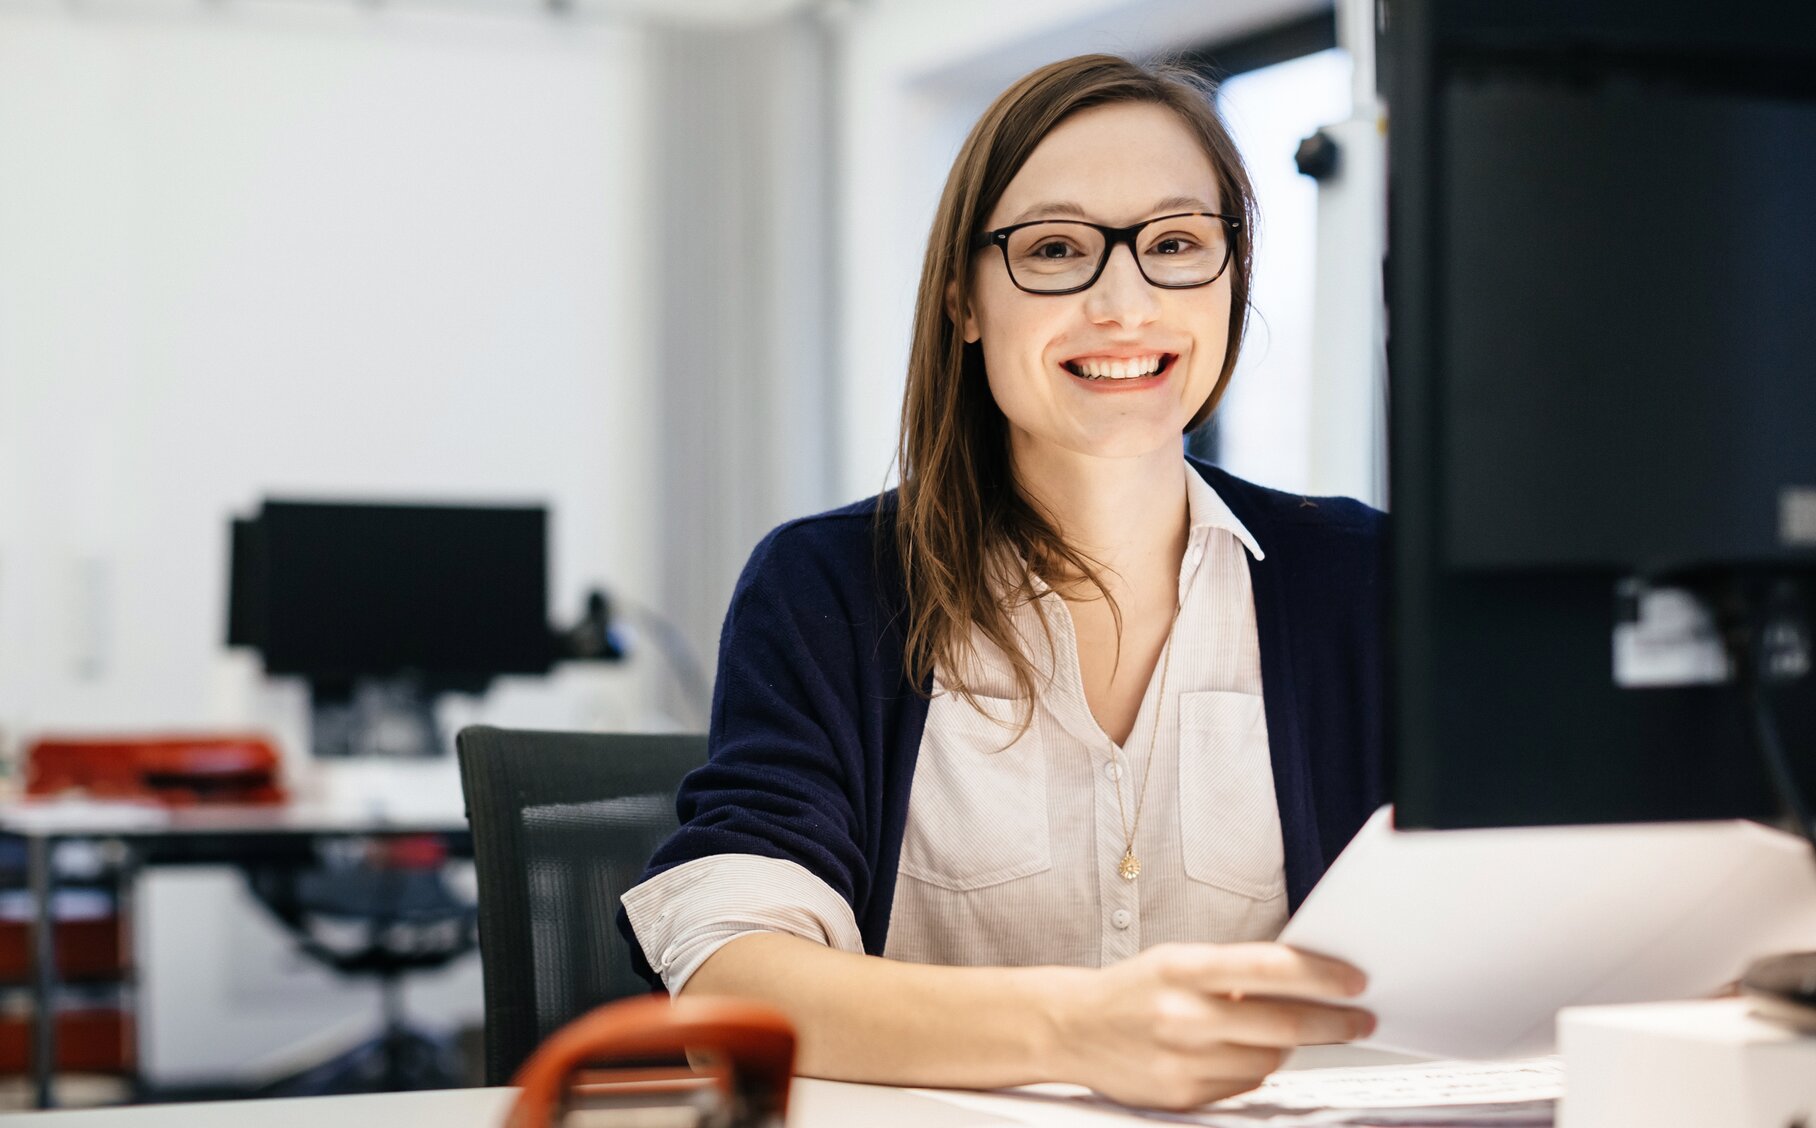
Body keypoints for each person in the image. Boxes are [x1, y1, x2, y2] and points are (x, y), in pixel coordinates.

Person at [620, 53, 1385, 1111]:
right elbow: (731, 978)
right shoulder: (827, 587)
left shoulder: (1363, 582)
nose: (1125, 302)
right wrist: (1077, 1030)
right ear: (963, 301)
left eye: (1174, 245)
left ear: (1231, 278)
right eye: (1056, 250)